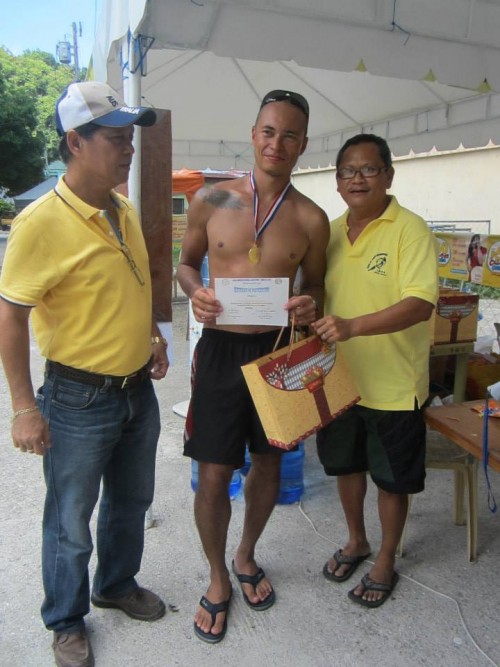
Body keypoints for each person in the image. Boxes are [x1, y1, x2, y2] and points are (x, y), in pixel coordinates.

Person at [0, 81, 169, 667]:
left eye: (130, 137)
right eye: (116, 138)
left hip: (136, 390)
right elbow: (11, 317)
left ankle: (116, 584)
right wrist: (24, 407)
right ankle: (66, 619)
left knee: (131, 500)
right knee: (70, 518)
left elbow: (131, 286)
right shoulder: (40, 223)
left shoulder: (122, 209)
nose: (128, 149)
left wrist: (151, 338)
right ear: (76, 141)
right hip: (76, 398)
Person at [177, 90, 330, 643]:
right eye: (269, 131)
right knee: (215, 471)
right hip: (220, 352)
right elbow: (187, 264)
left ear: (303, 145)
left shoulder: (312, 218)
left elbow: (316, 284)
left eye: (290, 135)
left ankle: (246, 555)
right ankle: (217, 577)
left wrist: (311, 302)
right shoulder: (212, 199)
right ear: (253, 133)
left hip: (277, 352)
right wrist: (195, 292)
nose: (277, 143)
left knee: (268, 463)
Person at [312, 134, 438, 609]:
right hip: (338, 379)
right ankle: (356, 540)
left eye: (368, 169)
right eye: (348, 171)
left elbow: (420, 304)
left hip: (392, 386)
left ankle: (386, 556)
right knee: (346, 467)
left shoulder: (411, 229)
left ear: (388, 174)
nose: (357, 178)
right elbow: (321, 293)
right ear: (338, 181)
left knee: (391, 480)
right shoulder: (329, 232)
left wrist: (352, 326)